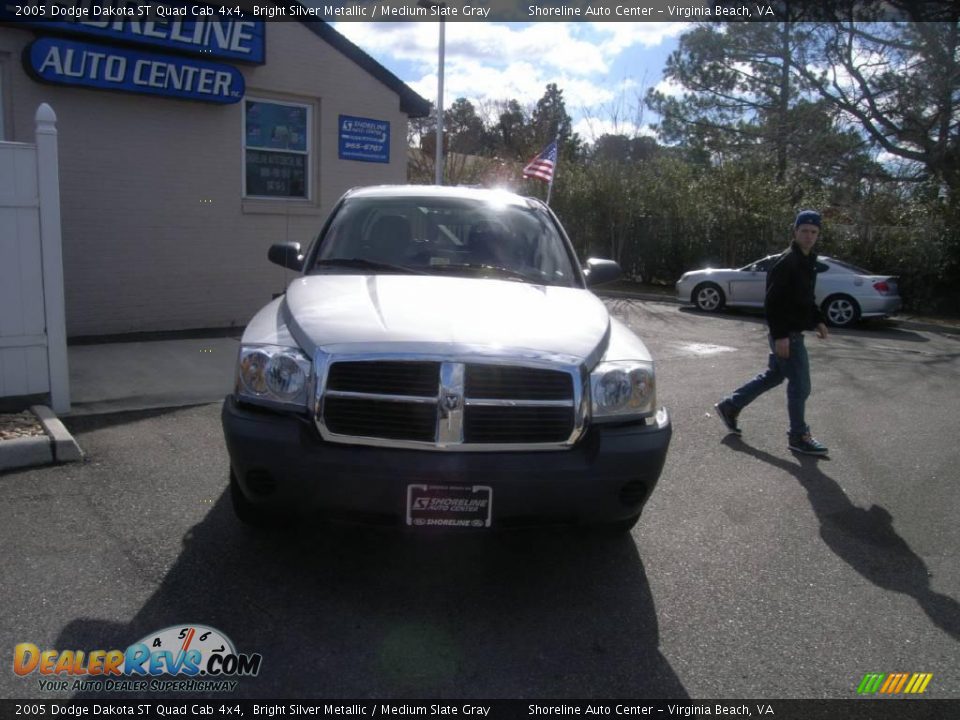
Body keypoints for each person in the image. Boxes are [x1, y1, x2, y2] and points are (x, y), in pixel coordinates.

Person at [715, 210, 830, 455]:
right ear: (795, 231)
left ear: (818, 234)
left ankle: (730, 405)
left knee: (775, 376)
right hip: (787, 334)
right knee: (800, 386)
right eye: (804, 231)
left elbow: (806, 298)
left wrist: (818, 320)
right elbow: (773, 302)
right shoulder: (787, 262)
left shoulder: (807, 262)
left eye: (813, 232)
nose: (809, 236)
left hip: (793, 331)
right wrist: (780, 336)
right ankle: (798, 436)